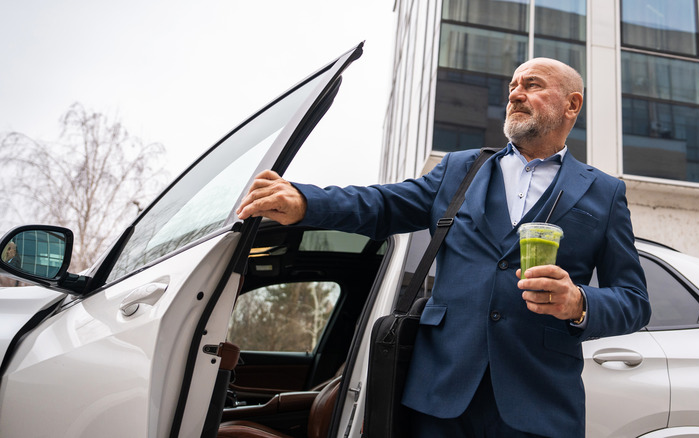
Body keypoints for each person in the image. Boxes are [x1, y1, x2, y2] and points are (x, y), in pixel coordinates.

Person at [236, 57, 651, 438]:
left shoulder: (604, 193)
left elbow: (634, 300)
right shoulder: (460, 169)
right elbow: (382, 205)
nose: (515, 94)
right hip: (441, 399)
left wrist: (578, 302)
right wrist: (306, 202)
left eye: (532, 85)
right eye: (512, 86)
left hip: (539, 405)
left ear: (571, 105)